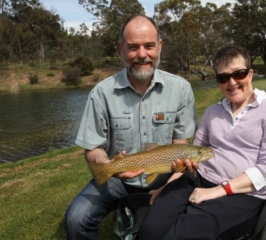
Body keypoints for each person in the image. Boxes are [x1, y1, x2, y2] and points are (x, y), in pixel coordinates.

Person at [64, 14, 197, 239]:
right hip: (118, 179)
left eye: (149, 46)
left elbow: (180, 144)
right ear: (121, 48)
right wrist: (108, 165)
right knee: (76, 219)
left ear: (160, 46)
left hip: (166, 175)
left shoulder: (181, 89)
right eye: (133, 47)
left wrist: (173, 177)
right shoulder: (101, 93)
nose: (142, 54)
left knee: (187, 221)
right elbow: (93, 148)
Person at [139, 45, 266, 240]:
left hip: (243, 193)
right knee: (150, 230)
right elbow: (190, 157)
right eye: (223, 77)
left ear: (250, 74)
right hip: (199, 177)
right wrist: (166, 187)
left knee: (179, 235)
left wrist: (218, 191)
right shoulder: (212, 112)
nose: (232, 83)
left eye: (239, 74)